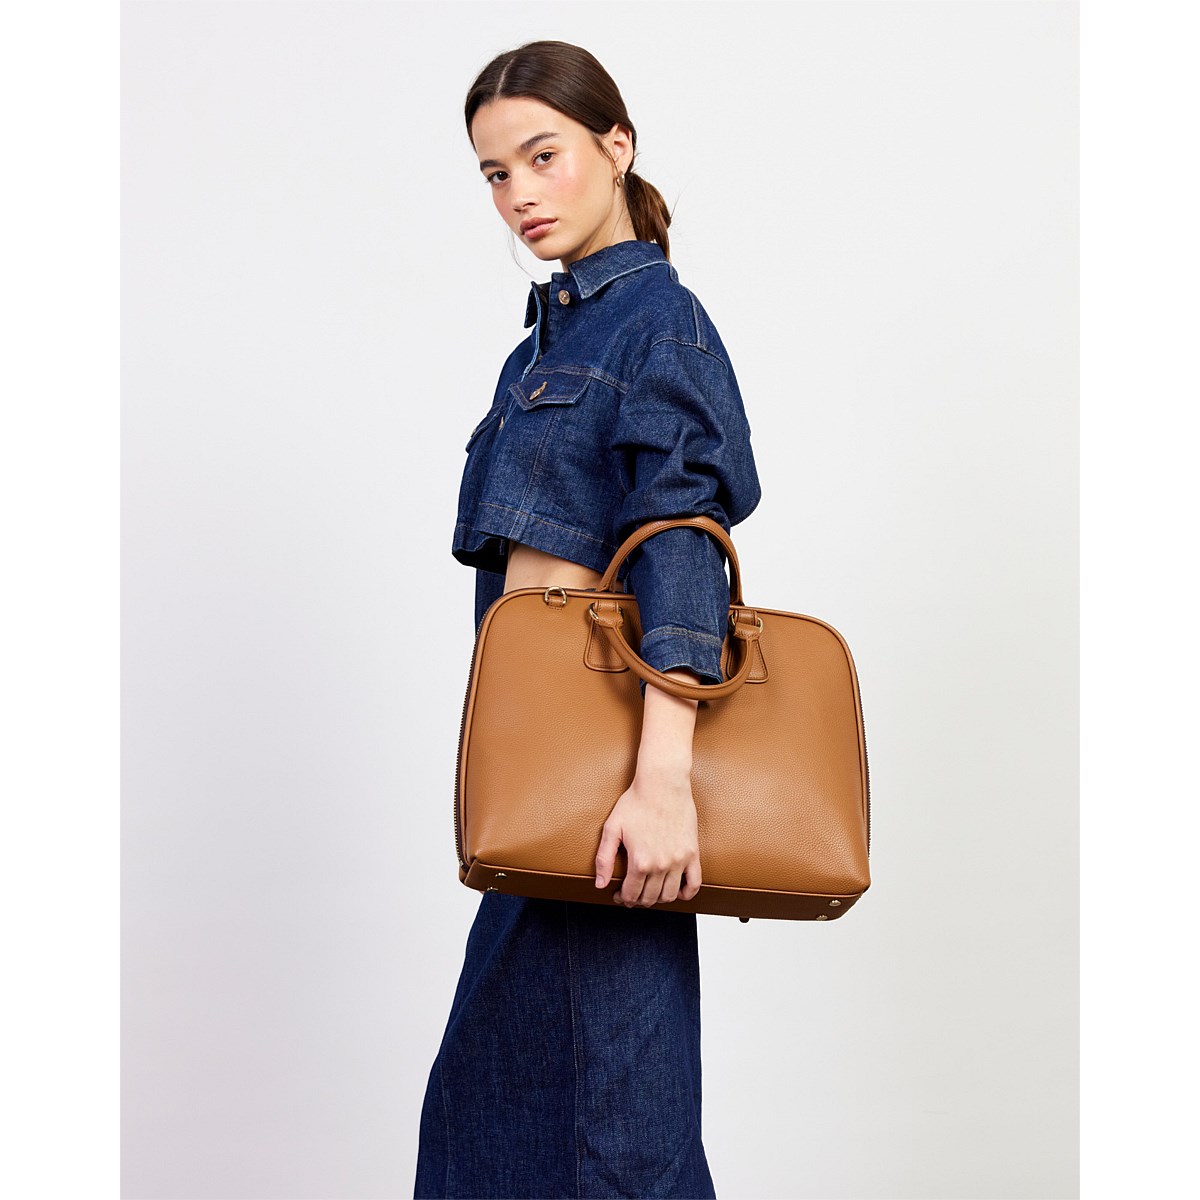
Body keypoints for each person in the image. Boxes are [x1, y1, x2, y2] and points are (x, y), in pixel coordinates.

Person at [414, 40, 762, 1200]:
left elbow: (680, 547)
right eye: (494, 173)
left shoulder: (659, 324)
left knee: (615, 1142)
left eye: (542, 155)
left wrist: (662, 785)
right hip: (543, 795)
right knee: (504, 1129)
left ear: (617, 147)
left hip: (613, 800)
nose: (519, 193)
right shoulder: (542, 347)